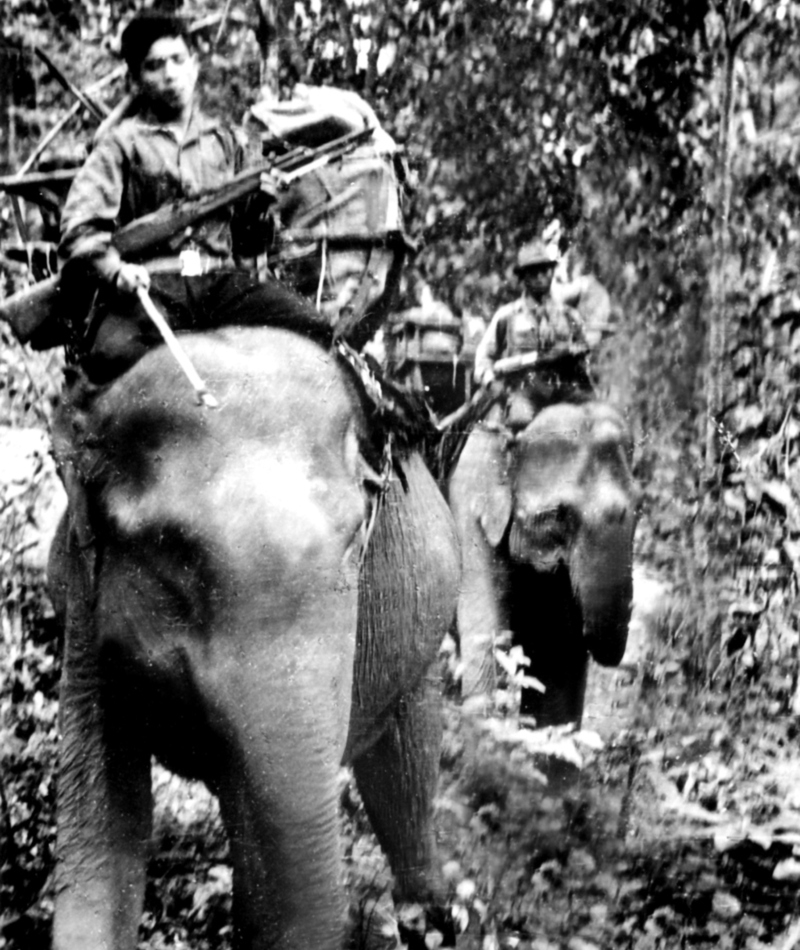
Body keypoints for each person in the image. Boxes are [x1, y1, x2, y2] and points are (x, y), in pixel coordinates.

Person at [57, 11, 324, 386]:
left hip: (220, 282)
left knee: (313, 330)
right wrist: (117, 271)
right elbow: (80, 230)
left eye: (178, 60)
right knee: (116, 361)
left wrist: (261, 207)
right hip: (152, 286)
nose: (170, 74)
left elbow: (250, 242)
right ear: (136, 80)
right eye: (155, 66)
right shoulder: (120, 146)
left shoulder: (229, 142)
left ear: (194, 67)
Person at [473, 238, 593, 428]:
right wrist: (491, 384)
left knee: (598, 417)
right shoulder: (507, 316)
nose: (540, 277)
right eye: (533, 272)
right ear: (523, 278)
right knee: (520, 424)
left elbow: (584, 362)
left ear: (552, 272)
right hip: (525, 391)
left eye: (545, 270)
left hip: (563, 390)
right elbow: (482, 359)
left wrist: (575, 355)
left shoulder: (569, 316)